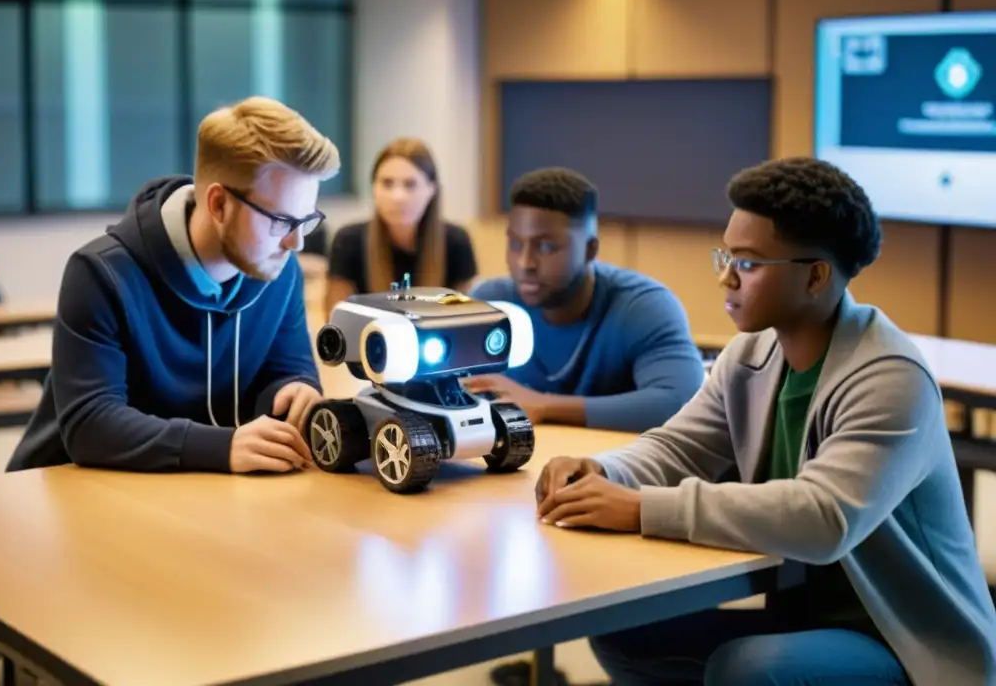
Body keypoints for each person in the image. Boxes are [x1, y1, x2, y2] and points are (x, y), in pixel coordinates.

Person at [535, 157, 996, 686]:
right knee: (625, 635)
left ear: (815, 276)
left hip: (904, 642)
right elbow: (679, 448)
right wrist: (602, 470)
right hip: (802, 613)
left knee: (748, 670)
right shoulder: (751, 353)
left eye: (748, 263)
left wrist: (641, 508)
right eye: (726, 255)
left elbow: (823, 519)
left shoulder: (891, 377)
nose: (725, 277)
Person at [7, 96, 338, 475]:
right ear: (218, 205)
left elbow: (285, 369)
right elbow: (90, 424)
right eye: (280, 221)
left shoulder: (280, 271)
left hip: (196, 496)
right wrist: (221, 446)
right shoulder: (101, 273)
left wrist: (294, 390)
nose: (294, 243)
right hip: (73, 497)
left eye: (305, 220)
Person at [466, 167, 705, 433]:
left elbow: (677, 402)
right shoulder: (489, 304)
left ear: (590, 249)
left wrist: (544, 405)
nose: (525, 263)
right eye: (515, 244)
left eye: (546, 247)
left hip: (609, 468)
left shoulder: (643, 307)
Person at [323, 137, 478, 316]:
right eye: (387, 183)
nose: (397, 196)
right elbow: (336, 321)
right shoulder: (349, 240)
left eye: (410, 184)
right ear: (374, 188)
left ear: (431, 190)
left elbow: (467, 318)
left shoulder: (456, 241)